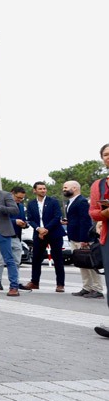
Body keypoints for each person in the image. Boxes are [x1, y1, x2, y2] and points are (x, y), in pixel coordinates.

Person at [21, 181, 66, 292]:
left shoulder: (53, 202)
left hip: (54, 233)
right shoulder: (31, 204)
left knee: (58, 259)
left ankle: (60, 284)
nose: (43, 190)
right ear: (35, 190)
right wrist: (38, 229)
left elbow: (57, 217)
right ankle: (34, 282)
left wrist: (45, 229)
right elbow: (30, 219)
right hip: (38, 234)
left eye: (44, 188)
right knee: (36, 259)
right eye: (40, 189)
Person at [64, 180, 100, 298]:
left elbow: (85, 221)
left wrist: (84, 239)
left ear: (74, 188)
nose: (63, 189)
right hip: (74, 237)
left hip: (82, 238)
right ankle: (87, 287)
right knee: (82, 263)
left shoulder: (82, 202)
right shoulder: (70, 202)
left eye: (66, 187)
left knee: (90, 264)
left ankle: (97, 289)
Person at [89, 144, 109, 337]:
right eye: (105, 154)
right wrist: (105, 212)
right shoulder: (99, 185)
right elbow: (93, 212)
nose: (108, 157)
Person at [0, 186, 29, 289]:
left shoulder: (20, 206)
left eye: (21, 198)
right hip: (3, 236)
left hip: (16, 237)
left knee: (16, 261)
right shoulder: (2, 204)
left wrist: (25, 224)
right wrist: (15, 221)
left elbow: (24, 219)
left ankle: (15, 281)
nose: (19, 200)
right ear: (11, 194)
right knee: (0, 261)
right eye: (18, 197)